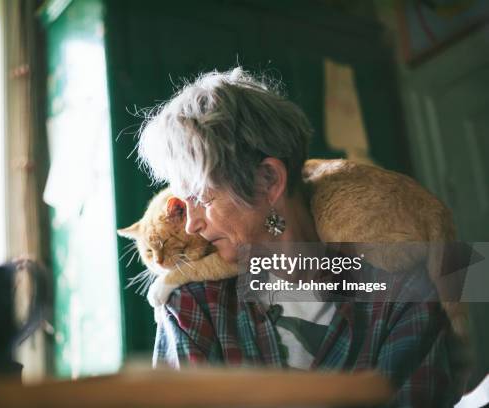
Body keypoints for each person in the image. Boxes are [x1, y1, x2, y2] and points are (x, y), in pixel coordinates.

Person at [136, 67, 464, 406]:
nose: (191, 226)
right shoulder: (194, 303)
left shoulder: (399, 292)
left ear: (268, 180)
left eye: (202, 198)